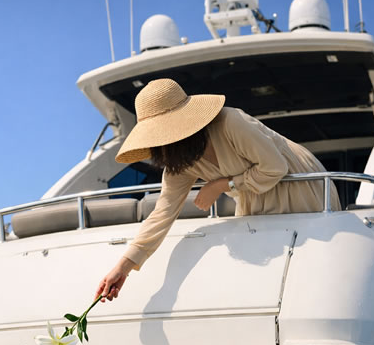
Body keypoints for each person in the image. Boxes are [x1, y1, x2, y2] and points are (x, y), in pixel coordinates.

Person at [95, 78, 341, 302]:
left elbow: (275, 167)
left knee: (308, 267)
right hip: (255, 197)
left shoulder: (229, 122)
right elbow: (162, 213)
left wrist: (222, 185)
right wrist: (122, 267)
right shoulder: (179, 161)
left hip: (296, 183)